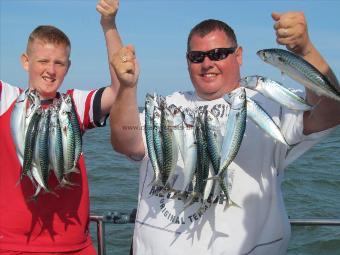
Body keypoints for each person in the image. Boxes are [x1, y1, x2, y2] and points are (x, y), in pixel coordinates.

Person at [109, 11, 340, 255]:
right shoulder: (168, 105)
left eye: (218, 54)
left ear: (238, 55)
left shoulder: (268, 101)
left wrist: (305, 51)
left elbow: (331, 110)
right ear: (187, 61)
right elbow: (125, 142)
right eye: (197, 57)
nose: (207, 63)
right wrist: (126, 88)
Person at [0, 0, 122, 254]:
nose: (50, 70)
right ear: (26, 61)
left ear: (68, 67)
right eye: (43, 60)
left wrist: (109, 26)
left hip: (75, 246)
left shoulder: (73, 104)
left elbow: (121, 89)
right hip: (12, 246)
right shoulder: (8, 99)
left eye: (59, 63)